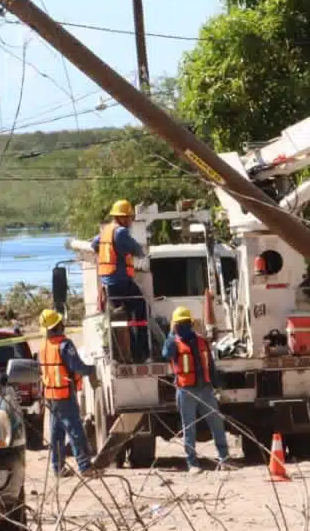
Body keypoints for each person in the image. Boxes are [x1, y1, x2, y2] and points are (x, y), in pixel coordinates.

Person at [161, 306, 232, 471]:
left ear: (190, 323)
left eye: (184, 322)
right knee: (189, 429)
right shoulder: (173, 343)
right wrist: (171, 335)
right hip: (186, 391)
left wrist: (217, 386)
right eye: (180, 323)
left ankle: (224, 459)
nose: (183, 326)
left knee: (216, 425)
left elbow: (211, 366)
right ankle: (192, 463)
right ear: (176, 325)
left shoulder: (201, 341)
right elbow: (165, 354)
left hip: (205, 389)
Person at [36, 307, 97, 477]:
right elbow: (77, 366)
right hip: (64, 395)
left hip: (50, 396)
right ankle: (85, 467)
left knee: (56, 433)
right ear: (59, 325)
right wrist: (91, 370)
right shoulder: (64, 345)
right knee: (75, 429)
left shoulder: (44, 346)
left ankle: (58, 468)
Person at [92, 199, 148, 362]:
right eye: (130, 217)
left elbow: (94, 244)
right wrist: (141, 254)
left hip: (109, 283)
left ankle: (126, 352)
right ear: (122, 218)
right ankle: (141, 351)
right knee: (140, 308)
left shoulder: (106, 231)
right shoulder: (121, 232)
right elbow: (137, 249)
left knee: (121, 317)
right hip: (121, 280)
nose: (131, 221)